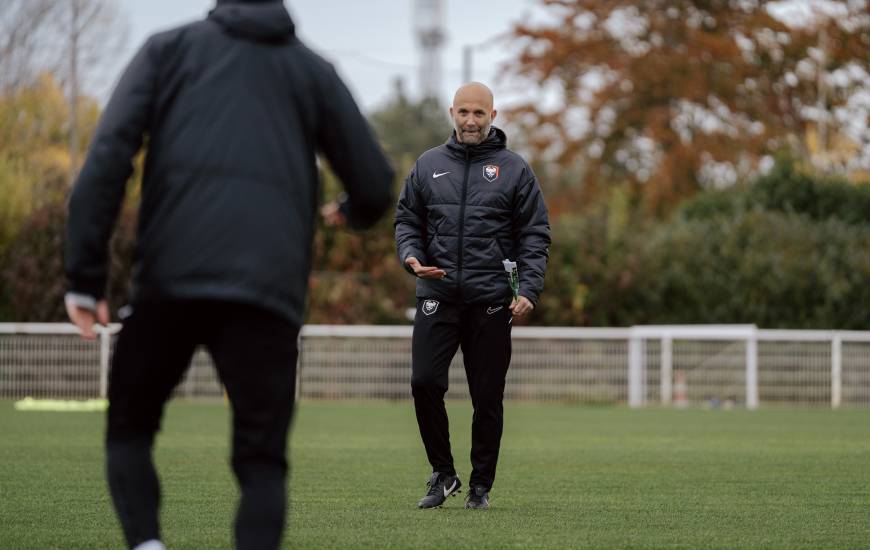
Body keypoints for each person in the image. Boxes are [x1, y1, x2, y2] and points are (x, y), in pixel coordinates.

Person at [64, 1, 394, 548]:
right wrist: (350, 212)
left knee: (129, 430)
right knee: (262, 462)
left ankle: (147, 543)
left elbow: (107, 157)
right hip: (267, 293)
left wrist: (85, 274)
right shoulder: (310, 70)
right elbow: (376, 186)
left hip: (168, 280)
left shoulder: (167, 50)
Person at [394, 82, 550, 510]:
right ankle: (443, 474)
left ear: (493, 116)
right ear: (452, 113)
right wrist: (411, 257)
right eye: (463, 112)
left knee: (487, 397)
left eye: (479, 113)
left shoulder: (515, 170)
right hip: (438, 294)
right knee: (424, 382)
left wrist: (529, 289)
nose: (470, 120)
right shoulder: (427, 165)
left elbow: (534, 235)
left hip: (492, 301)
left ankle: (481, 487)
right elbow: (407, 221)